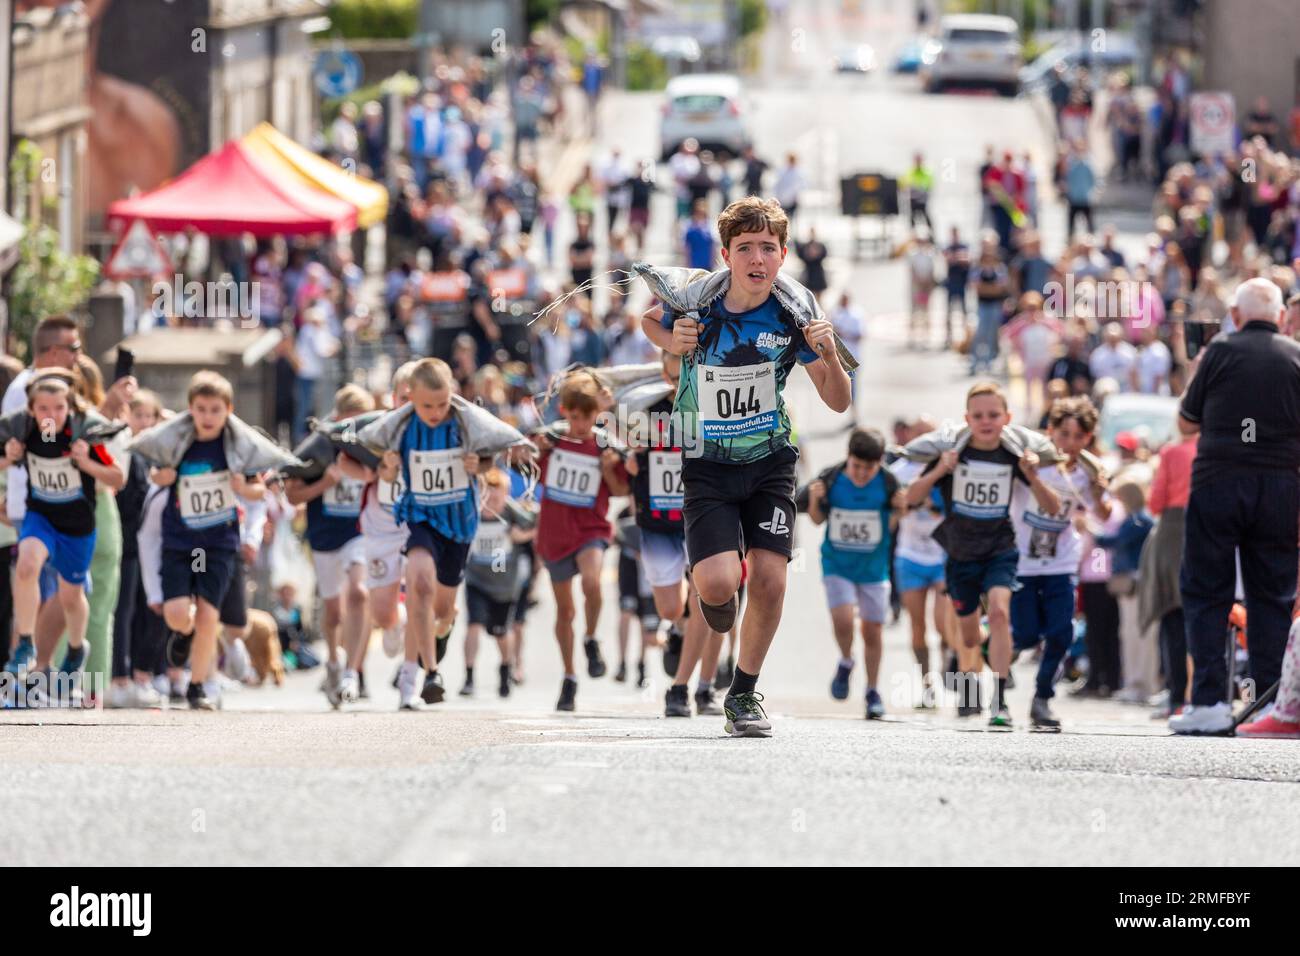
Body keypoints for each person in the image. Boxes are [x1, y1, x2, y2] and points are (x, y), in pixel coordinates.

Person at [642, 196, 853, 736]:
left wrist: (827, 355)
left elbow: (837, 402)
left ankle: (742, 692)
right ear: (726, 254)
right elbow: (649, 318)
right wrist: (672, 339)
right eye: (745, 248)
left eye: (767, 248)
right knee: (716, 584)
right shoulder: (699, 302)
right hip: (706, 460)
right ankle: (711, 601)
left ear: (783, 255)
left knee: (769, 579)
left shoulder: (792, 313)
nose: (757, 259)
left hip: (771, 459)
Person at [1171, 278, 1300, 735]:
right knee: (1273, 595)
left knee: (1207, 589)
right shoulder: (1295, 355)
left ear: (1236, 313)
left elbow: (1186, 423)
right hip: (1280, 486)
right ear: (1281, 316)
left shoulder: (1221, 350)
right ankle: (1270, 701)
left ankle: (1208, 702)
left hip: (1220, 481)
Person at [902, 382, 1061, 727]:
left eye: (993, 415)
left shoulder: (1013, 456)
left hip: (1000, 549)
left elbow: (1052, 506)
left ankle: (999, 701)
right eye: (978, 416)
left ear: (1007, 417)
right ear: (966, 419)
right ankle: (987, 648)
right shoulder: (953, 454)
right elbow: (910, 498)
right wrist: (941, 469)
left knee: (1001, 612)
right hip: (960, 554)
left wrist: (1032, 475)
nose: (986, 421)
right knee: (971, 637)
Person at [359, 359, 513, 709]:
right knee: (419, 583)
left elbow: (490, 458)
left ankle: (443, 628)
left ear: (452, 396)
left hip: (458, 524)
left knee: (441, 609)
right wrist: (388, 467)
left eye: (442, 403)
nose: (435, 411)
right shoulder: (401, 429)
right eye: (427, 405)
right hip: (421, 516)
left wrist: (480, 466)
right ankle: (424, 675)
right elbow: (384, 474)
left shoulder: (463, 422)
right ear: (410, 398)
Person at [129, 371, 282, 711]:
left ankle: (197, 685)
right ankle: (182, 634)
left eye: (215, 409)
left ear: (228, 409)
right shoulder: (178, 441)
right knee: (177, 614)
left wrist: (243, 488)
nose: (208, 416)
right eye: (201, 409)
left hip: (217, 542)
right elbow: (156, 473)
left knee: (209, 614)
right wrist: (162, 476)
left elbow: (259, 490)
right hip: (182, 542)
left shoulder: (236, 445)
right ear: (190, 410)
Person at [1, 372, 126, 698]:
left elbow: (117, 478)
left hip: (77, 526)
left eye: (58, 408)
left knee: (71, 595)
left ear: (69, 408)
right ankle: (25, 644)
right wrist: (8, 458)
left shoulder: (83, 433)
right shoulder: (23, 431)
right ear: (31, 410)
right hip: (39, 517)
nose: (50, 415)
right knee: (27, 564)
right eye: (43, 408)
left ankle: (75, 648)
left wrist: (87, 463)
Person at [623, 351, 724, 718]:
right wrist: (629, 456)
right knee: (670, 608)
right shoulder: (645, 408)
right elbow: (624, 445)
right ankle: (680, 629)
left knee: (714, 598)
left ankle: (700, 687)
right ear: (663, 367)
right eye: (673, 365)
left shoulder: (710, 401)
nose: (679, 373)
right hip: (658, 520)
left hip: (706, 514)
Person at [1009, 397, 1110, 728]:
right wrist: (1032, 476)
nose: (1070, 443)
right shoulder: (1032, 463)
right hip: (1024, 561)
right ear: (1050, 432)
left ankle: (1041, 698)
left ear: (1088, 438)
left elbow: (1104, 514)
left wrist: (1097, 492)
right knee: (1025, 636)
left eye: (1079, 436)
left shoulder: (1088, 471)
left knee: (1060, 633)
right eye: (1063, 434)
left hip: (1061, 562)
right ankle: (996, 651)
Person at [533, 372, 629, 711]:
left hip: (591, 528)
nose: (579, 424)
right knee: (565, 610)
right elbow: (521, 465)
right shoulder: (553, 443)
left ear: (595, 414)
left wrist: (607, 469)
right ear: (563, 411)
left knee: (592, 582)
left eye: (586, 417)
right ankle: (570, 676)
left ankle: (590, 637)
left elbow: (621, 491)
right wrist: (534, 452)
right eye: (573, 417)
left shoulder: (605, 445)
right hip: (555, 532)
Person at [284, 385, 374, 707]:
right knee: (333, 611)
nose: (352, 433)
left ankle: (353, 669)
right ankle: (334, 662)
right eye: (347, 424)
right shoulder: (319, 446)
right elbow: (292, 494)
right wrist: (326, 482)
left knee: (360, 592)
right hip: (324, 535)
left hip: (359, 531)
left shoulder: (373, 446)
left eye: (360, 424)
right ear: (336, 419)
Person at [805, 428, 902, 719]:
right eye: (856, 466)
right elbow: (816, 519)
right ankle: (846, 660)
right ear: (848, 457)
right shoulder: (832, 479)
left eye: (868, 468)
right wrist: (813, 499)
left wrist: (899, 510)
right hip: (837, 564)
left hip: (874, 568)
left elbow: (894, 525)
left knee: (872, 630)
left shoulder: (887, 483)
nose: (861, 473)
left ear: (880, 462)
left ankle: (872, 691)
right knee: (843, 619)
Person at [461, 468, 535, 697]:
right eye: (487, 494)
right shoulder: (472, 511)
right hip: (476, 579)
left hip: (503, 582)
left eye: (497, 494)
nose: (491, 499)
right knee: (473, 625)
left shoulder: (513, 512)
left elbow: (534, 524)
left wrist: (519, 536)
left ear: (506, 494)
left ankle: (505, 670)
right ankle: (469, 677)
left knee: (501, 632)